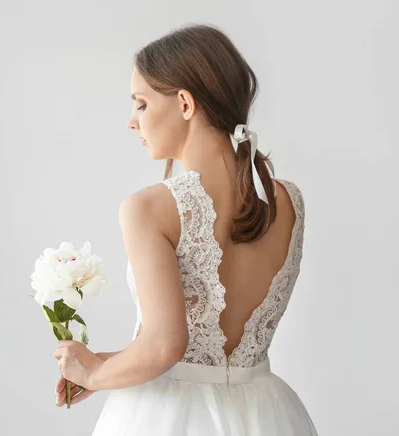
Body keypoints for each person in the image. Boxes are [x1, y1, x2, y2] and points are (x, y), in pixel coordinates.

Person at [53, 23, 318, 435]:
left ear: (184, 103)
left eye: (140, 104)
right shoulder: (287, 201)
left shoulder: (148, 208)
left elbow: (166, 347)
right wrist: (110, 362)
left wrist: (92, 377)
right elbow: (201, 357)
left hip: (167, 418)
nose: (131, 121)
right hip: (266, 415)